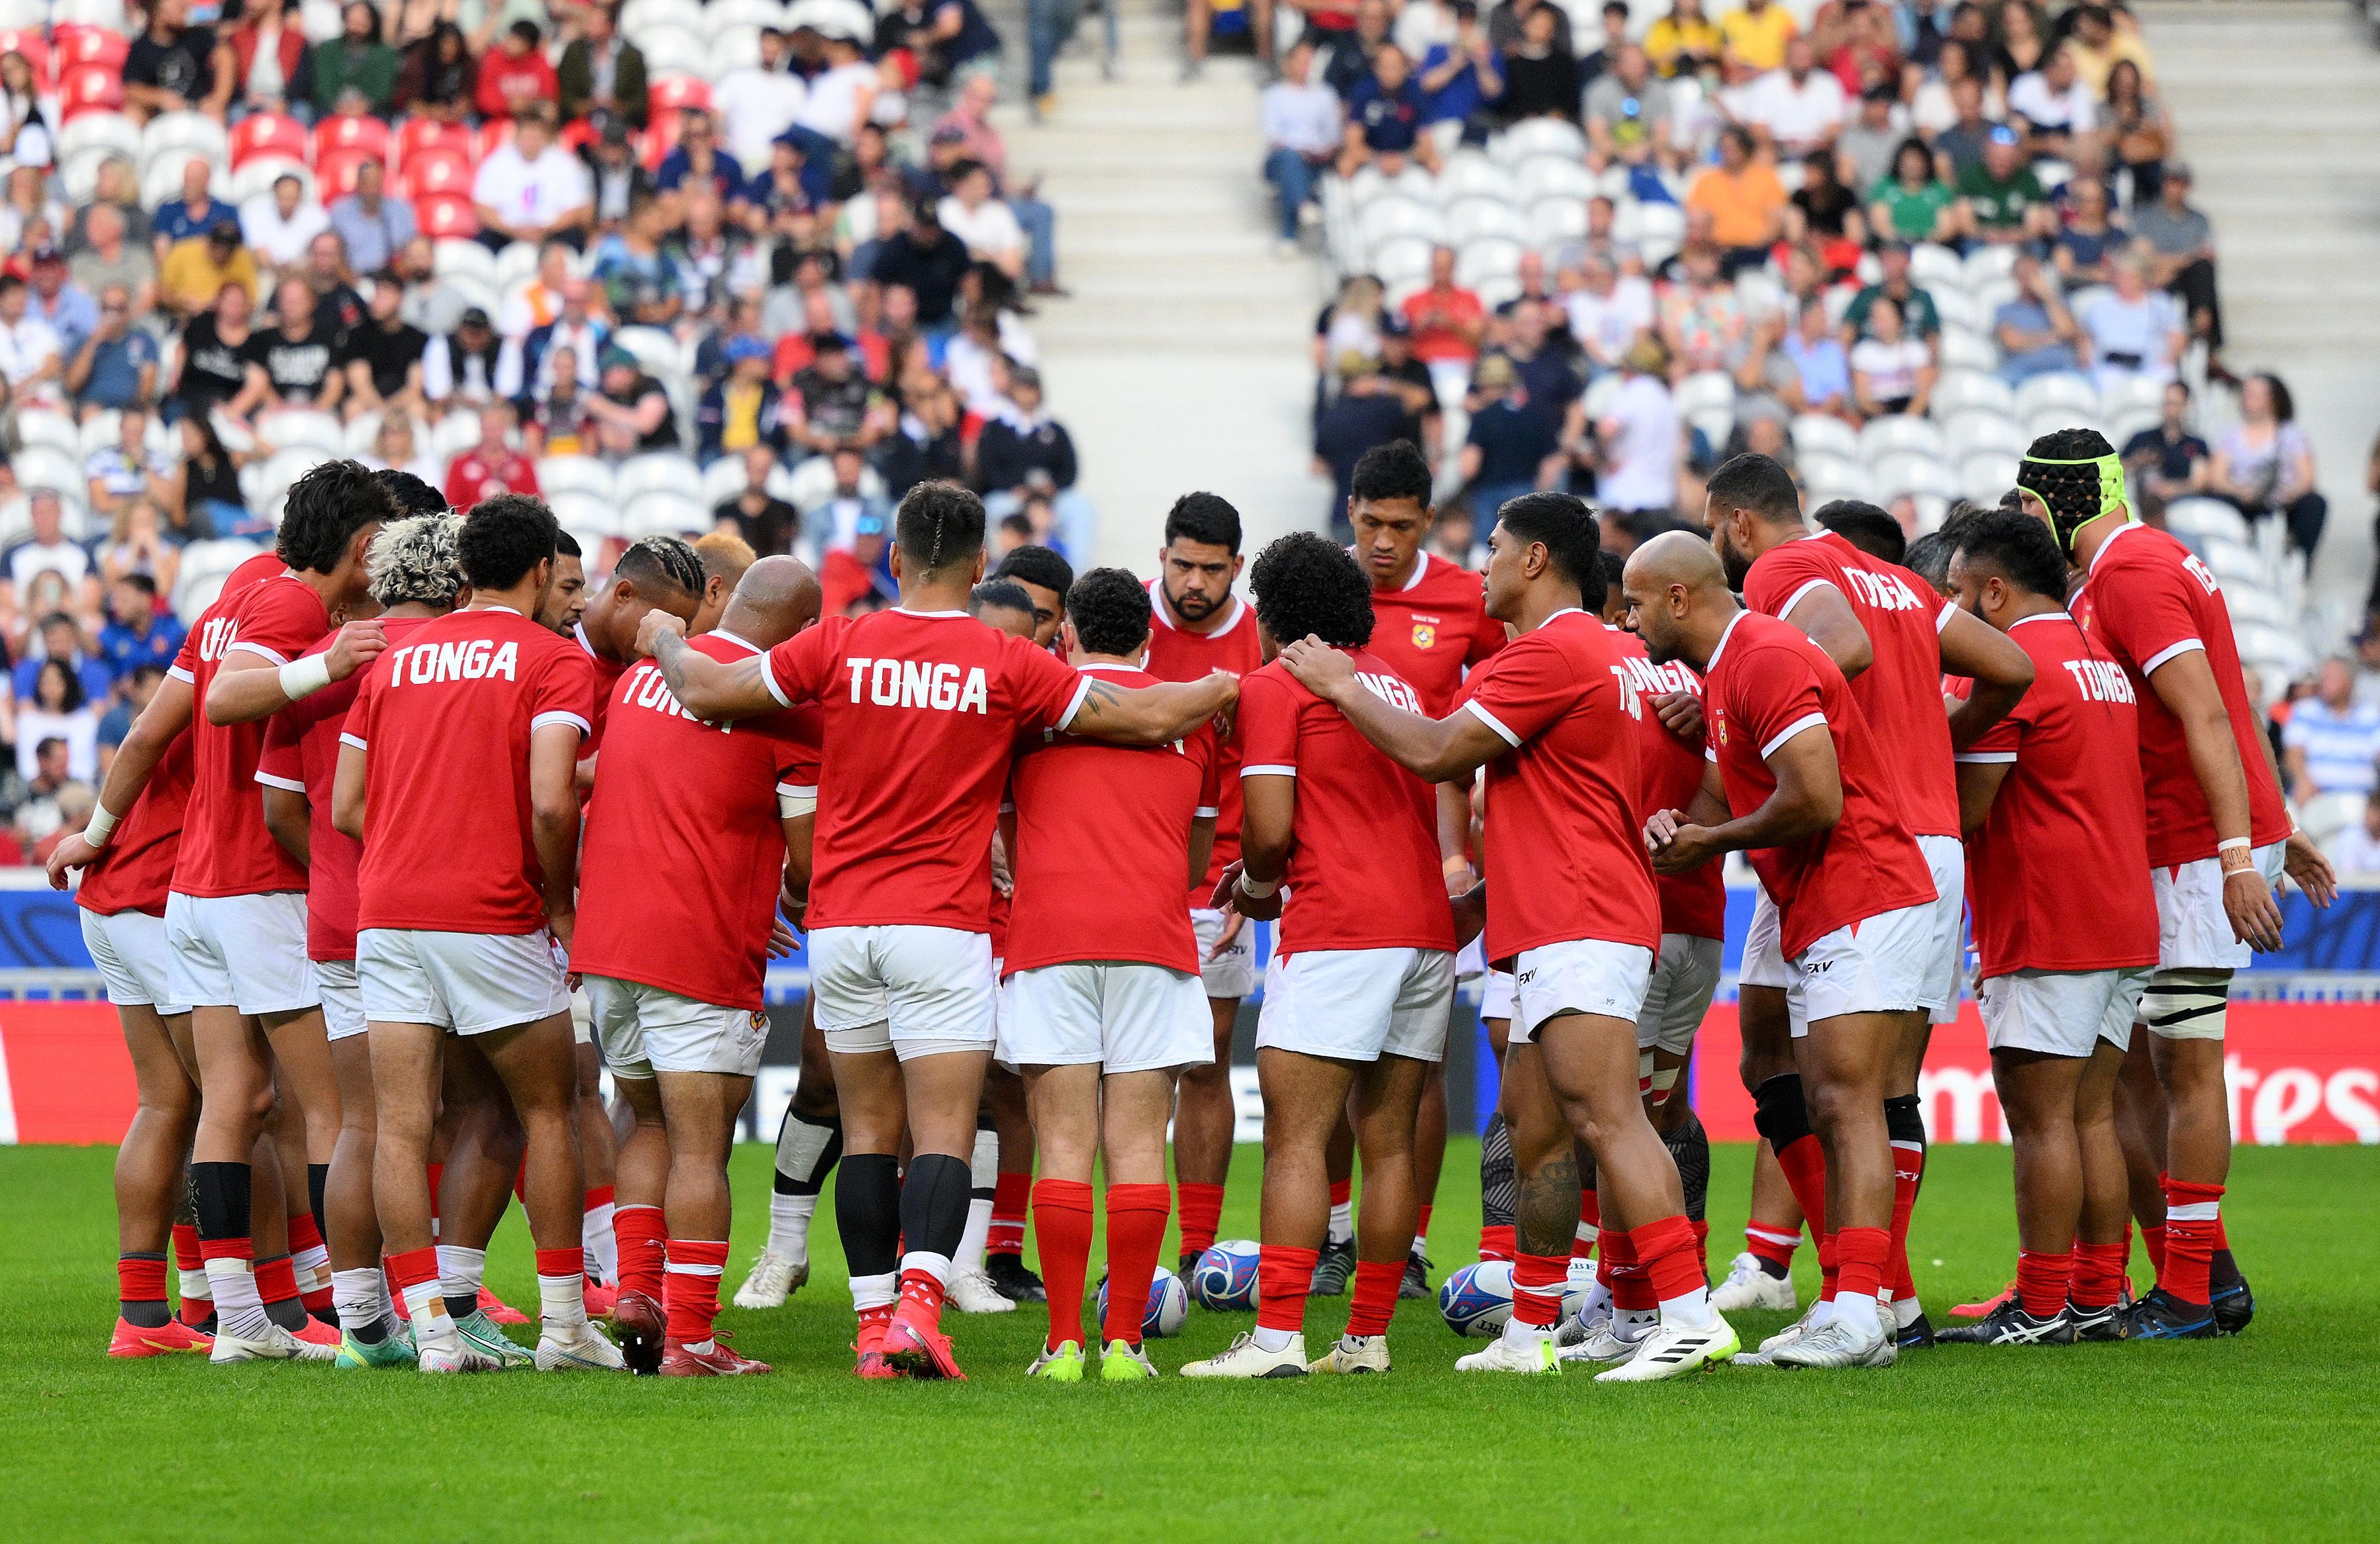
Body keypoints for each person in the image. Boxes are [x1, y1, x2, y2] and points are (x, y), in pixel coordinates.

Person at [636, 481, 1238, 1379]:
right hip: (942, 923)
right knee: (945, 1131)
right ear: (981, 566)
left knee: (868, 1132)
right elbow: (1147, 716)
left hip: (841, 925)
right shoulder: (1005, 663)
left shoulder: (838, 643)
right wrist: (1233, 680)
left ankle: (871, 1330)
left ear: (892, 559)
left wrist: (662, 636)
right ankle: (922, 1307)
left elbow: (712, 689)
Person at [1279, 496, 1739, 1380]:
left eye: (1491, 548)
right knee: (1538, 1131)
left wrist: (1338, 685)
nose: (1480, 563)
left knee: (1609, 1117)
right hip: (1549, 920)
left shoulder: (1555, 651)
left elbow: (1438, 752)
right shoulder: (1614, 654)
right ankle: (1527, 1334)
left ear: (1533, 560)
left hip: (1582, 918)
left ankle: (1687, 1313)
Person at [47, 465, 398, 1364]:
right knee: (329, 1111)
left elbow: (155, 726)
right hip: (252, 889)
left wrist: (94, 831)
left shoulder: (231, 606)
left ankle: (234, 1318)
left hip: (193, 892)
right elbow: (231, 696)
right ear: (362, 547)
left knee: (226, 1100)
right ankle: (360, 1314)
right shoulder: (289, 612)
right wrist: (329, 663)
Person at [1706, 454, 2034, 1354]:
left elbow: (1835, 649)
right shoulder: (1894, 580)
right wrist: (1930, 739)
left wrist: (1747, 697)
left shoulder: (1783, 570)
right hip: (1931, 846)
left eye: (1712, 531)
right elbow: (2008, 666)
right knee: (1883, 1086)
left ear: (1738, 524)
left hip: (1850, 841)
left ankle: (1858, 1298)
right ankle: (1882, 1297)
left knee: (1820, 1077)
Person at [2017, 428, 2335, 1339]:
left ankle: (2192, 1293)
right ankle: (2207, 1273)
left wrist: (2242, 856)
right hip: (2195, 842)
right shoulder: (2158, 562)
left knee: (2182, 1068)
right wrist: (2280, 826)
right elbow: (2233, 704)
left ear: (2063, 500)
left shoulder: (2128, 578)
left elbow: (2203, 710)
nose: (2029, 521)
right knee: (2130, 1081)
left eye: (2032, 503)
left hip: (2197, 852)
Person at [328, 493, 622, 1373]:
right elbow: (548, 798)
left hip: (388, 916)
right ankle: (566, 1328)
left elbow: (345, 806)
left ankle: (431, 1333)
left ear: (463, 571)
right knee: (548, 1109)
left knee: (401, 1127)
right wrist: (561, 905)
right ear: (541, 572)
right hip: (491, 912)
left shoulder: (393, 663)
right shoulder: (550, 660)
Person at [1626, 530, 1928, 1370]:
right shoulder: (1731, 668)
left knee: (1846, 1100)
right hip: (1827, 898)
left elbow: (1818, 797)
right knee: (1826, 1096)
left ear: (1680, 597)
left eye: (1638, 598)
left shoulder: (1762, 654)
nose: (1630, 614)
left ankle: (1865, 1313)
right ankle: (1850, 1301)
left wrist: (1711, 839)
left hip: (1862, 887)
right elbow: (1731, 784)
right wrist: (1685, 822)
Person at [1176, 531, 1454, 1379]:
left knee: (1298, 1136)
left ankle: (1275, 1340)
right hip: (1425, 929)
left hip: (1341, 929)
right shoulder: (1392, 680)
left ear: (1270, 612)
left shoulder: (1276, 684)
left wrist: (1255, 885)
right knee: (1392, 1137)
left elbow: (1268, 828)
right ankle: (1366, 1338)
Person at [576, 555, 819, 1377]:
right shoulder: (778, 704)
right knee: (699, 1149)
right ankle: (691, 1339)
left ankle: (639, 1289)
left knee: (643, 1120)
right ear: (802, 632)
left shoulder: (639, 683)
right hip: (698, 948)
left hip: (611, 945)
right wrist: (781, 893)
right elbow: (809, 867)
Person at [1935, 505, 2156, 1344]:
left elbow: (1971, 808)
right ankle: (2099, 1293)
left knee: (2041, 1118)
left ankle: (2040, 1303)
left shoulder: (2012, 665)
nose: (1951, 608)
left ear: (1993, 591)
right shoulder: (2100, 659)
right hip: (2122, 914)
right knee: (2092, 1114)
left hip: (2049, 918)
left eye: (1956, 592)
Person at [256, 501, 469, 1367]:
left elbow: (282, 806)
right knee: (437, 1119)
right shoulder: (452, 661)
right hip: (434, 908)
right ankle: (442, 1304)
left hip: (340, 914)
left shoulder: (319, 664)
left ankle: (359, 1323)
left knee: (358, 1126)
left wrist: (343, 873)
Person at [1002, 568, 1220, 1382]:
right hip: (1153, 941)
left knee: (1062, 1138)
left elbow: (1012, 844)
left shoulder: (1033, 714)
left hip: (1050, 936)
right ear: (1149, 637)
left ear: (1068, 637)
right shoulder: (1190, 718)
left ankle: (1062, 1344)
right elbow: (1196, 862)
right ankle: (1125, 1344)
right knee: (1136, 1141)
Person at [65, 556, 280, 1359]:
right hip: (164, 895)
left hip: (116, 893)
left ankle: (153, 1313)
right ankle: (264, 1304)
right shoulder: (258, 661)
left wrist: (93, 835)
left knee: (172, 1104)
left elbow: (142, 738)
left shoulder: (204, 647)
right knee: (245, 1100)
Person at [1140, 495, 1265, 1281]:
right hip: (1134, 870)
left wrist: (1256, 879)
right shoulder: (1125, 620)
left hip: (1222, 883)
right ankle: (1132, 1249)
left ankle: (1196, 1245)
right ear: (1162, 558)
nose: (1193, 581)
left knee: (1207, 1060)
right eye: (1182, 564)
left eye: (1211, 569)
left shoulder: (1261, 637)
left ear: (1237, 569)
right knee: (1132, 1069)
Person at [2208, 373, 2325, 560]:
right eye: (2246, 394)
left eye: (2254, 394)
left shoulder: (2291, 436)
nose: (2247, 399)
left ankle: (2299, 562)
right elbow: (2217, 478)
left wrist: (2290, 493)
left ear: (2273, 399)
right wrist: (2240, 491)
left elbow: (2307, 478)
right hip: (2242, 501)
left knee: (2314, 503)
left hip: (2281, 503)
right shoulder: (2230, 435)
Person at [472, 107, 593, 256]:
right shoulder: (496, 162)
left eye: (536, 136)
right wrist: (514, 230)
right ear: (516, 136)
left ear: (545, 137)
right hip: (507, 233)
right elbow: (483, 208)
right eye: (527, 136)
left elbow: (575, 210)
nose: (531, 142)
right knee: (482, 245)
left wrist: (545, 229)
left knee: (575, 240)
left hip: (552, 232)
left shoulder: (565, 163)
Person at [1262, 42, 1344, 254]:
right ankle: (1304, 204)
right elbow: (1274, 136)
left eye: (1309, 61)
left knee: (1299, 171)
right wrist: (1300, 151)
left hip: (1318, 158)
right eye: (1300, 61)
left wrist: (1325, 150)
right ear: (1288, 63)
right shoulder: (1274, 94)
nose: (1305, 66)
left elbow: (1333, 134)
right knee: (1291, 162)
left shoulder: (1325, 94)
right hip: (1284, 157)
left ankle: (1289, 234)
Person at [2080, 254, 2185, 400]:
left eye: (2131, 277)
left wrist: (2167, 359)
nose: (2125, 282)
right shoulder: (2099, 305)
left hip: (2150, 366)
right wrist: (2088, 360)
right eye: (2121, 277)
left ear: (2142, 279)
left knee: (2167, 377)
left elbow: (2177, 339)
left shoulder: (2159, 303)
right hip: (2111, 366)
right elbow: (2086, 340)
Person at [1686, 126, 1785, 276]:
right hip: (1717, 253)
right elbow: (1696, 219)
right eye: (1725, 148)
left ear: (1745, 148)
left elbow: (1775, 219)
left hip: (1756, 252)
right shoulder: (1707, 180)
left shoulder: (1766, 178)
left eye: (1734, 148)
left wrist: (1753, 244)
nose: (1729, 153)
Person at [2280, 657, 2380, 802]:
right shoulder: (2305, 711)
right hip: (2317, 797)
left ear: (2349, 683)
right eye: (2324, 678)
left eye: (2331, 679)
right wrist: (2303, 780)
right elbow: (2293, 754)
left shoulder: (2370, 715)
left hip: (2362, 799)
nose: (2324, 683)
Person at [340, 277, 429, 424]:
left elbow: (415, 387)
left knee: (419, 408)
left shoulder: (416, 338)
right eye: (376, 295)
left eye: (385, 296)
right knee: (353, 407)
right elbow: (360, 385)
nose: (378, 301)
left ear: (401, 299)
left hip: (402, 403)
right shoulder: (359, 335)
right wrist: (381, 410)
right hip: (369, 402)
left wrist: (391, 409)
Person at [2119, 381, 2209, 520]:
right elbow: (2116, 468)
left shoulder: (2197, 445)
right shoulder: (2142, 439)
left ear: (2186, 405)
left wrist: (2171, 489)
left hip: (2183, 509)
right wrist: (2136, 461)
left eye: (2175, 404)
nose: (2170, 409)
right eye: (2167, 403)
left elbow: (2200, 483)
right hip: (2143, 507)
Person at [1955, 126, 2054, 246]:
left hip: (2020, 241)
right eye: (1996, 157)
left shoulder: (2029, 180)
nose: (2000, 162)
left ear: (2016, 156)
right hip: (1980, 240)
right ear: (1986, 154)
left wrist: (2013, 236)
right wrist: (1986, 234)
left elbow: (2034, 226)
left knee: (2037, 248)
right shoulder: (1970, 176)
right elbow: (1965, 223)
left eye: (2006, 158)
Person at [557, 2, 650, 129]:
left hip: (622, 122)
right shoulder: (574, 52)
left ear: (611, 26)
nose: (589, 27)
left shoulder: (632, 56)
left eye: (596, 23)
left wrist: (617, 106)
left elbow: (640, 102)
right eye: (589, 22)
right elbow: (566, 96)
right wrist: (587, 105)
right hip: (582, 120)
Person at [444, 403, 541, 511]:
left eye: (496, 428)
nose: (492, 434)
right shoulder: (460, 465)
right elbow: (451, 507)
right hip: (471, 525)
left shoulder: (523, 464)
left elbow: (536, 506)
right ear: (481, 428)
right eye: (488, 428)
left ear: (505, 428)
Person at [1850, 297, 1933, 416]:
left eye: (1883, 317)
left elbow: (1924, 393)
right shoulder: (1862, 352)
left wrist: (1908, 418)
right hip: (1879, 412)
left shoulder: (1917, 349)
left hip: (1911, 407)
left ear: (1898, 318)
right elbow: (1863, 398)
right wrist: (1887, 420)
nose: (1878, 322)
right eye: (1875, 317)